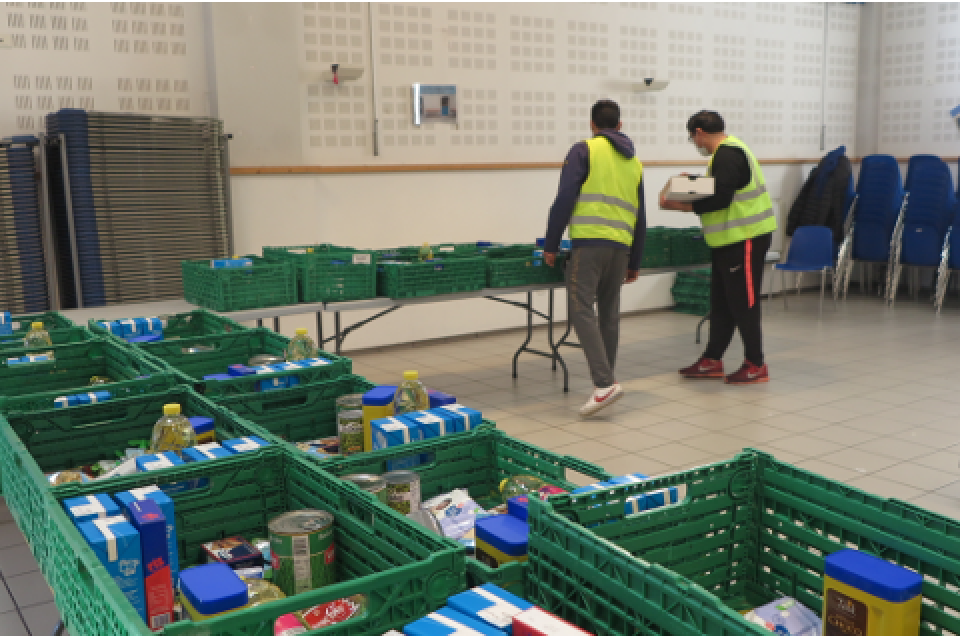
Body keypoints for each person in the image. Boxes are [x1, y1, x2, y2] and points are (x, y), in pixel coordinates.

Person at [543, 99, 646, 416]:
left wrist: (551, 243)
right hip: (620, 246)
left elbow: (564, 198)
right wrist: (635, 260)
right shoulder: (634, 163)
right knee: (609, 312)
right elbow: (641, 217)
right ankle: (607, 381)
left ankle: (604, 384)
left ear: (592, 124)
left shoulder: (583, 150)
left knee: (580, 308)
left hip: (589, 244)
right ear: (619, 124)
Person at [661, 110, 777, 384]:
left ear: (700, 132)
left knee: (744, 303)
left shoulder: (728, 154)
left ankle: (755, 364)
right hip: (728, 239)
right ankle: (712, 360)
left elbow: (721, 199)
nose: (695, 143)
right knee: (722, 303)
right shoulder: (726, 154)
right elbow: (723, 189)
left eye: (693, 138)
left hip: (745, 238)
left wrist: (682, 204)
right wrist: (692, 185)